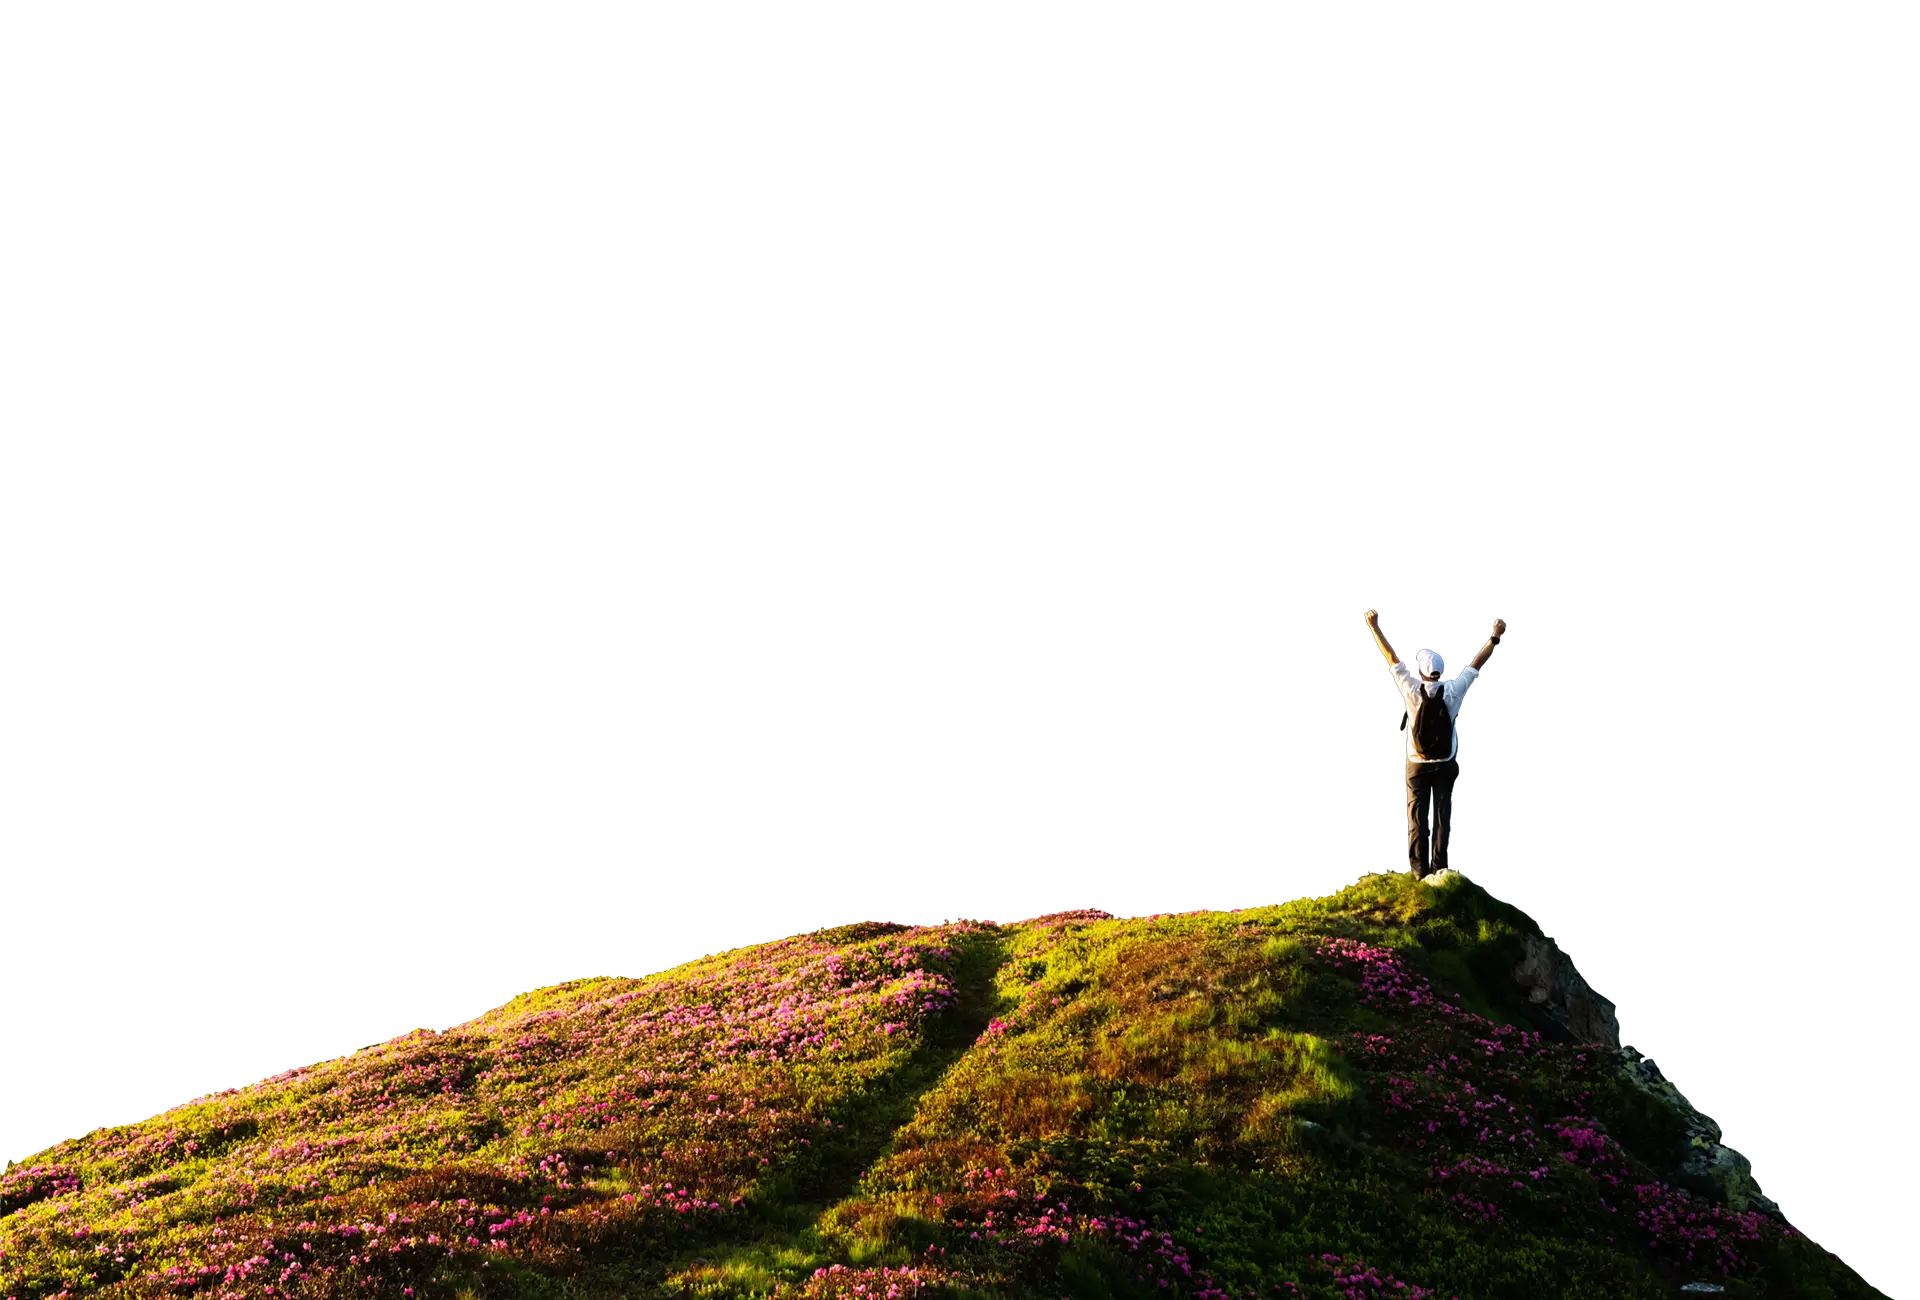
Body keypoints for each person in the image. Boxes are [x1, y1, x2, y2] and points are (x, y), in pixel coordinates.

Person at [1361, 610, 1506, 880]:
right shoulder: (1454, 689)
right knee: (1443, 816)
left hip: (1416, 763)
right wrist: (1495, 638)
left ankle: (1419, 870)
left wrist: (1374, 627)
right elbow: (1476, 664)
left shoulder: (1409, 687)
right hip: (1445, 762)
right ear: (1442, 672)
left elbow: (1391, 657)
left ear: (1419, 671)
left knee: (1416, 816)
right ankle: (1440, 869)